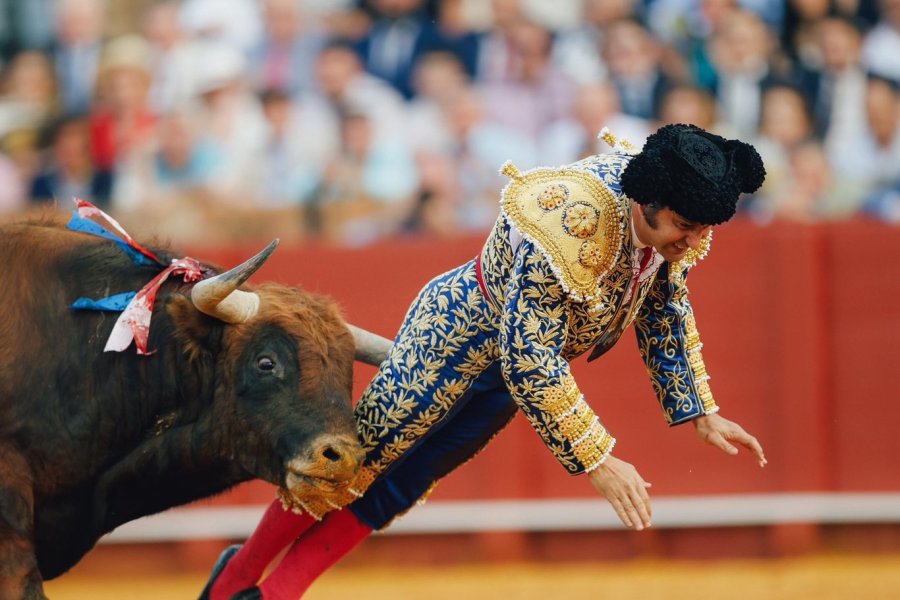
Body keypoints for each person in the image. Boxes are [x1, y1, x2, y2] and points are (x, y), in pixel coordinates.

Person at [201, 123, 769, 600]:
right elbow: (531, 357)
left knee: (407, 483)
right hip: (455, 340)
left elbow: (663, 303)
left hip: (512, 371)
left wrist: (699, 409)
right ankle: (239, 577)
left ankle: (280, 593)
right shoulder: (573, 222)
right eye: (686, 228)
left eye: (702, 231)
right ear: (650, 204)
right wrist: (598, 458)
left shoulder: (672, 215)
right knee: (353, 463)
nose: (694, 243)